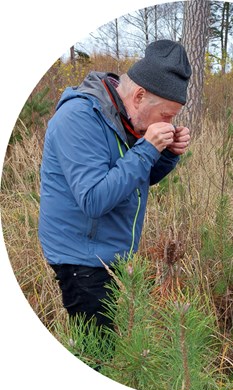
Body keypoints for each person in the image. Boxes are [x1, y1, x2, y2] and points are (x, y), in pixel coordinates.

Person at [38, 39, 192, 329]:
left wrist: (167, 154)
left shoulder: (124, 117)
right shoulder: (80, 118)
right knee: (98, 356)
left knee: (109, 345)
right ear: (139, 96)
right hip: (80, 258)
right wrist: (147, 148)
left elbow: (133, 182)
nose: (170, 123)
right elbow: (95, 199)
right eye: (167, 116)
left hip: (107, 253)